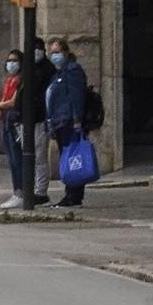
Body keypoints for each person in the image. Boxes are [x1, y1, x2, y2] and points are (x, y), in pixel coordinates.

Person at [44, 36, 91, 208]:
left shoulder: (72, 70)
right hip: (59, 121)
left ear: (65, 52)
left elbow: (76, 96)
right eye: (51, 52)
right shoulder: (58, 73)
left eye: (57, 52)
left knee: (73, 158)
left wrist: (77, 119)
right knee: (68, 157)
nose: (54, 55)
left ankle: (74, 195)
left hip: (69, 122)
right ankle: (71, 193)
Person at [0, 48, 27, 209]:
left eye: (15, 61)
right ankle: (17, 191)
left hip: (15, 121)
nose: (11, 64)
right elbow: (4, 102)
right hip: (6, 121)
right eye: (9, 61)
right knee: (12, 159)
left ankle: (21, 192)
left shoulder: (21, 80)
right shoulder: (9, 81)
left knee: (18, 159)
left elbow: (12, 102)